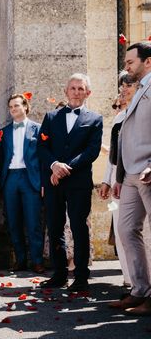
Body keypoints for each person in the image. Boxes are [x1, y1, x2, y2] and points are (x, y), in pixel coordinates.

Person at [37, 73, 103, 293]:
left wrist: (65, 168)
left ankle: (82, 276)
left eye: (80, 88)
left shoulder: (95, 119)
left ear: (88, 93)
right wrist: (54, 165)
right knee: (55, 228)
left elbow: (91, 151)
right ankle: (59, 274)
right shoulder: (51, 117)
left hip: (78, 181)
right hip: (53, 180)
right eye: (73, 88)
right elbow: (42, 147)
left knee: (79, 227)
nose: (76, 92)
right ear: (66, 91)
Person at [111, 41, 151, 315]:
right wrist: (119, 174)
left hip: (148, 171)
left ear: (148, 61)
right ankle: (140, 290)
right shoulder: (140, 89)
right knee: (126, 230)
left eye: (130, 62)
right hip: (129, 175)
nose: (126, 67)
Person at [0, 94, 44, 273]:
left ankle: (37, 261)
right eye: (11, 107)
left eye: (16, 106)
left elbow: (42, 158)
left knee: (33, 222)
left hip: (30, 178)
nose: (13, 109)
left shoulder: (37, 129)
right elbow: (1, 156)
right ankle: (20, 259)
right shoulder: (5, 131)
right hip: (10, 178)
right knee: (13, 221)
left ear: (25, 106)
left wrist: (42, 183)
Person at [101, 71, 137, 288]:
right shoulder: (118, 118)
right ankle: (129, 279)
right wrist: (106, 180)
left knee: (135, 230)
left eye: (128, 85)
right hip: (117, 182)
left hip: (134, 180)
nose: (123, 90)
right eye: (122, 86)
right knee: (120, 230)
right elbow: (113, 157)